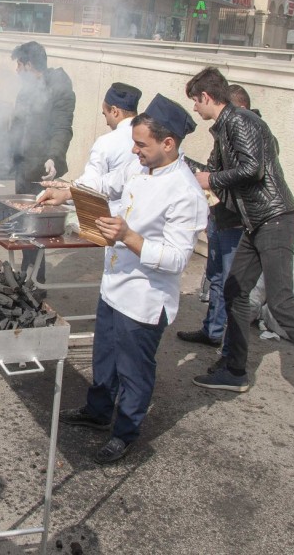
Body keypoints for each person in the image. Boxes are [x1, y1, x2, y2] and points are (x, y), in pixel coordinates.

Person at [40, 95, 207, 463]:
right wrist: (65, 194)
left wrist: (128, 237)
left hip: (145, 298)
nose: (134, 150)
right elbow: (104, 186)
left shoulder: (185, 192)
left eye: (141, 144)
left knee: (133, 370)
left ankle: (125, 431)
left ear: (168, 144)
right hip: (114, 284)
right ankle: (97, 412)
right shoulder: (138, 167)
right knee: (104, 356)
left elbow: (178, 258)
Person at [186, 67, 294, 429]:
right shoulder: (226, 127)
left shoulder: (240, 121)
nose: (195, 111)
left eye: (195, 103)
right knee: (234, 290)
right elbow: (222, 172)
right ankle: (235, 370)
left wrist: (210, 178)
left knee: (282, 302)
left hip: (274, 219)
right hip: (257, 222)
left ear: (207, 97)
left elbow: (253, 168)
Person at [0, 41, 75, 282]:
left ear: (29, 65)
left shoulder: (61, 90)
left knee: (38, 231)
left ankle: (36, 281)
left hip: (42, 172)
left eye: (19, 65)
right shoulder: (26, 91)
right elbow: (16, 129)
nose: (17, 71)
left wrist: (54, 157)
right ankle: (26, 274)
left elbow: (62, 128)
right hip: (23, 167)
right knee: (23, 228)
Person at [177, 84, 254, 355]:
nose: (197, 107)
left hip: (234, 221)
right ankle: (212, 329)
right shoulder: (225, 133)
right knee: (215, 277)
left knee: (230, 284)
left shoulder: (250, 135)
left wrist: (212, 180)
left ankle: (229, 349)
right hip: (218, 217)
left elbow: (244, 177)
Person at [71, 82, 142, 213]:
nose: (106, 122)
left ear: (114, 111)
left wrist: (68, 192)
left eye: (105, 114)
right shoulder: (152, 140)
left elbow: (89, 185)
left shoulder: (106, 142)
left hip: (110, 220)